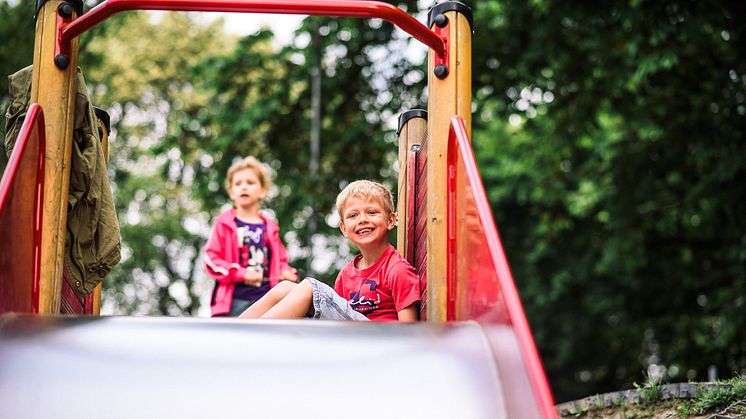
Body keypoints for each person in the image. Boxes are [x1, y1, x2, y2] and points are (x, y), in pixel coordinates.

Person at [239, 180, 420, 322]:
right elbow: (334, 313)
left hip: (376, 341)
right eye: (353, 215)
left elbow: (409, 331)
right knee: (284, 288)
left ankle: (252, 342)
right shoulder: (346, 274)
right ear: (344, 229)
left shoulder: (397, 270)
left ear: (390, 220)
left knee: (310, 287)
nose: (363, 220)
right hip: (345, 337)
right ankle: (231, 333)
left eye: (372, 212)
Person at [203, 156, 297, 317]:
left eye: (250, 183)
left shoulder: (270, 226)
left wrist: (287, 273)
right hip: (234, 301)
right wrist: (241, 274)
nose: (244, 187)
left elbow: (281, 260)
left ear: (262, 191)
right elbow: (211, 259)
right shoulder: (224, 223)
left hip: (267, 298)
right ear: (232, 192)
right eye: (238, 184)